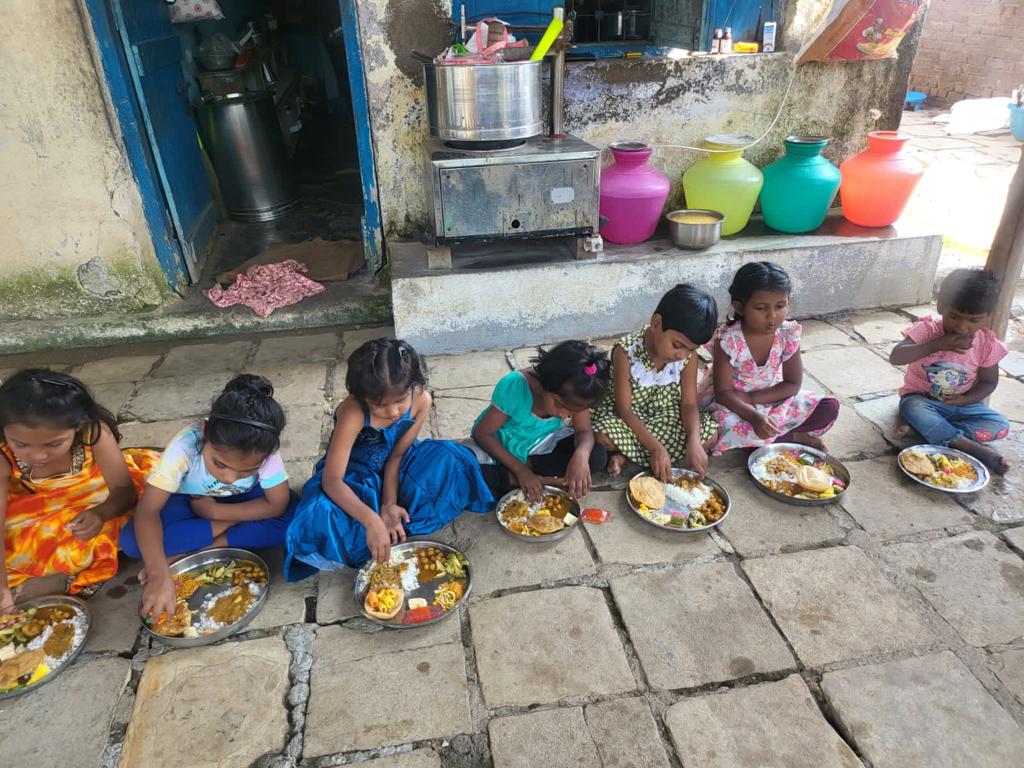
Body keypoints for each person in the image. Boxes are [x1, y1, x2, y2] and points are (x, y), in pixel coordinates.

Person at [284, 339, 493, 580]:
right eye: (379, 405)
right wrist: (371, 520)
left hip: (399, 467)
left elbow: (397, 457)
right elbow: (332, 481)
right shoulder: (353, 412)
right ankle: (384, 530)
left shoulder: (422, 400)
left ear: (414, 386)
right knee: (318, 514)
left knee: (451, 459)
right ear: (361, 397)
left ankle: (389, 525)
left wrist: (389, 505)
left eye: (400, 401)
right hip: (352, 476)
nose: (393, 412)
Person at [126, 374, 295, 622]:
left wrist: (216, 513)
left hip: (239, 501)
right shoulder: (185, 446)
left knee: (294, 522)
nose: (229, 478)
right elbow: (147, 511)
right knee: (131, 542)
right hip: (191, 500)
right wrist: (159, 574)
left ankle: (199, 549)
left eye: (247, 470)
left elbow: (277, 504)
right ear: (205, 433)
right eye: (219, 464)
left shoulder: (265, 448)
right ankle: (222, 535)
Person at [0, 370, 158, 611]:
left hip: (100, 496)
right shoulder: (3, 454)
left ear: (77, 427)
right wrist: (2, 588)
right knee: (18, 545)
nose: (39, 456)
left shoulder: (93, 432)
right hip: (40, 510)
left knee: (149, 509)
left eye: (54, 443)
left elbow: (124, 490)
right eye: (20, 444)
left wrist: (101, 514)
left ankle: (74, 565)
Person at [708, 262, 839, 454]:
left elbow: (792, 384)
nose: (772, 316)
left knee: (829, 407)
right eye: (761, 308)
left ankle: (766, 440)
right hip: (735, 403)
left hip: (772, 395)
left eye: (780, 306)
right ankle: (791, 438)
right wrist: (753, 416)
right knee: (723, 426)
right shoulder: (729, 340)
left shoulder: (787, 333)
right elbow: (723, 393)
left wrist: (754, 399)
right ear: (740, 307)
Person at [592, 284, 718, 480]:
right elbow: (624, 409)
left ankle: (625, 455)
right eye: (677, 345)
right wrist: (656, 448)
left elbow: (688, 404)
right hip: (628, 416)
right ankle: (636, 453)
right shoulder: (626, 351)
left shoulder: (688, 357)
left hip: (666, 414)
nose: (681, 355)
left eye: (690, 349)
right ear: (656, 322)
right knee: (603, 436)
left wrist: (693, 440)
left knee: (709, 436)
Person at [890, 268, 1010, 474]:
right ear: (941, 307)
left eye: (974, 320)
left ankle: (930, 431)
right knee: (914, 409)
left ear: (988, 317)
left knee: (1000, 424)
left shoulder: (986, 343)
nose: (962, 327)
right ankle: (970, 447)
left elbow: (988, 382)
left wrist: (966, 400)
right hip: (922, 400)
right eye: (954, 316)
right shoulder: (928, 330)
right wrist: (937, 344)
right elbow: (896, 356)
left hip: (962, 406)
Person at [472, 340, 610, 500]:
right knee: (465, 471)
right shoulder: (515, 386)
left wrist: (581, 455)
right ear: (548, 386)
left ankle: (519, 477)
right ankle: (524, 477)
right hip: (500, 446)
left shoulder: (578, 390)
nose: (565, 416)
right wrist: (521, 471)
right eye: (561, 406)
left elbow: (584, 430)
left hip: (539, 444)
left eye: (574, 411)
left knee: (596, 456)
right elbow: (482, 434)